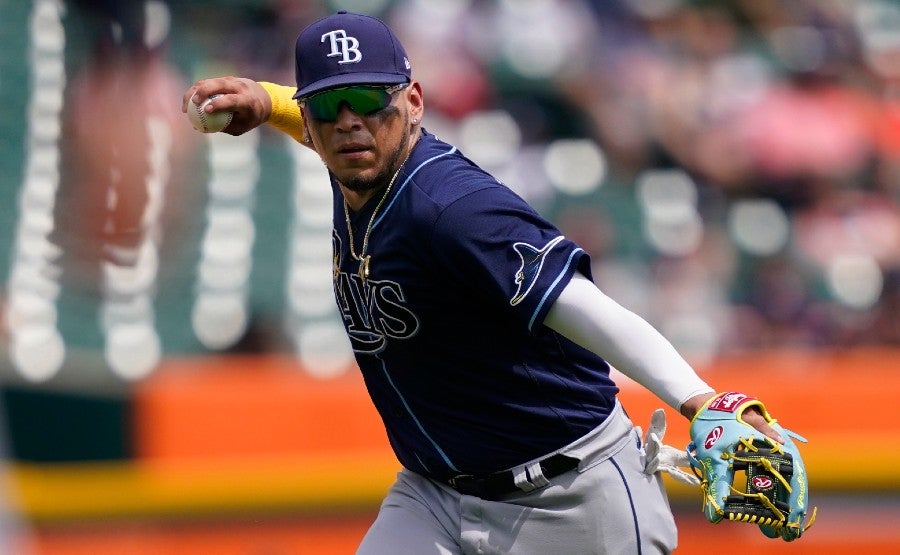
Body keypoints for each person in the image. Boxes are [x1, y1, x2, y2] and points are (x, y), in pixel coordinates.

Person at [183, 11, 786, 554]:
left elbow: (591, 310)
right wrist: (269, 101)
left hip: (570, 496)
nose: (351, 123)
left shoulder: (454, 209)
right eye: (326, 105)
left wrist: (701, 399)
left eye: (370, 98)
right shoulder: (359, 158)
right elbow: (339, 120)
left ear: (413, 102)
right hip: (434, 496)